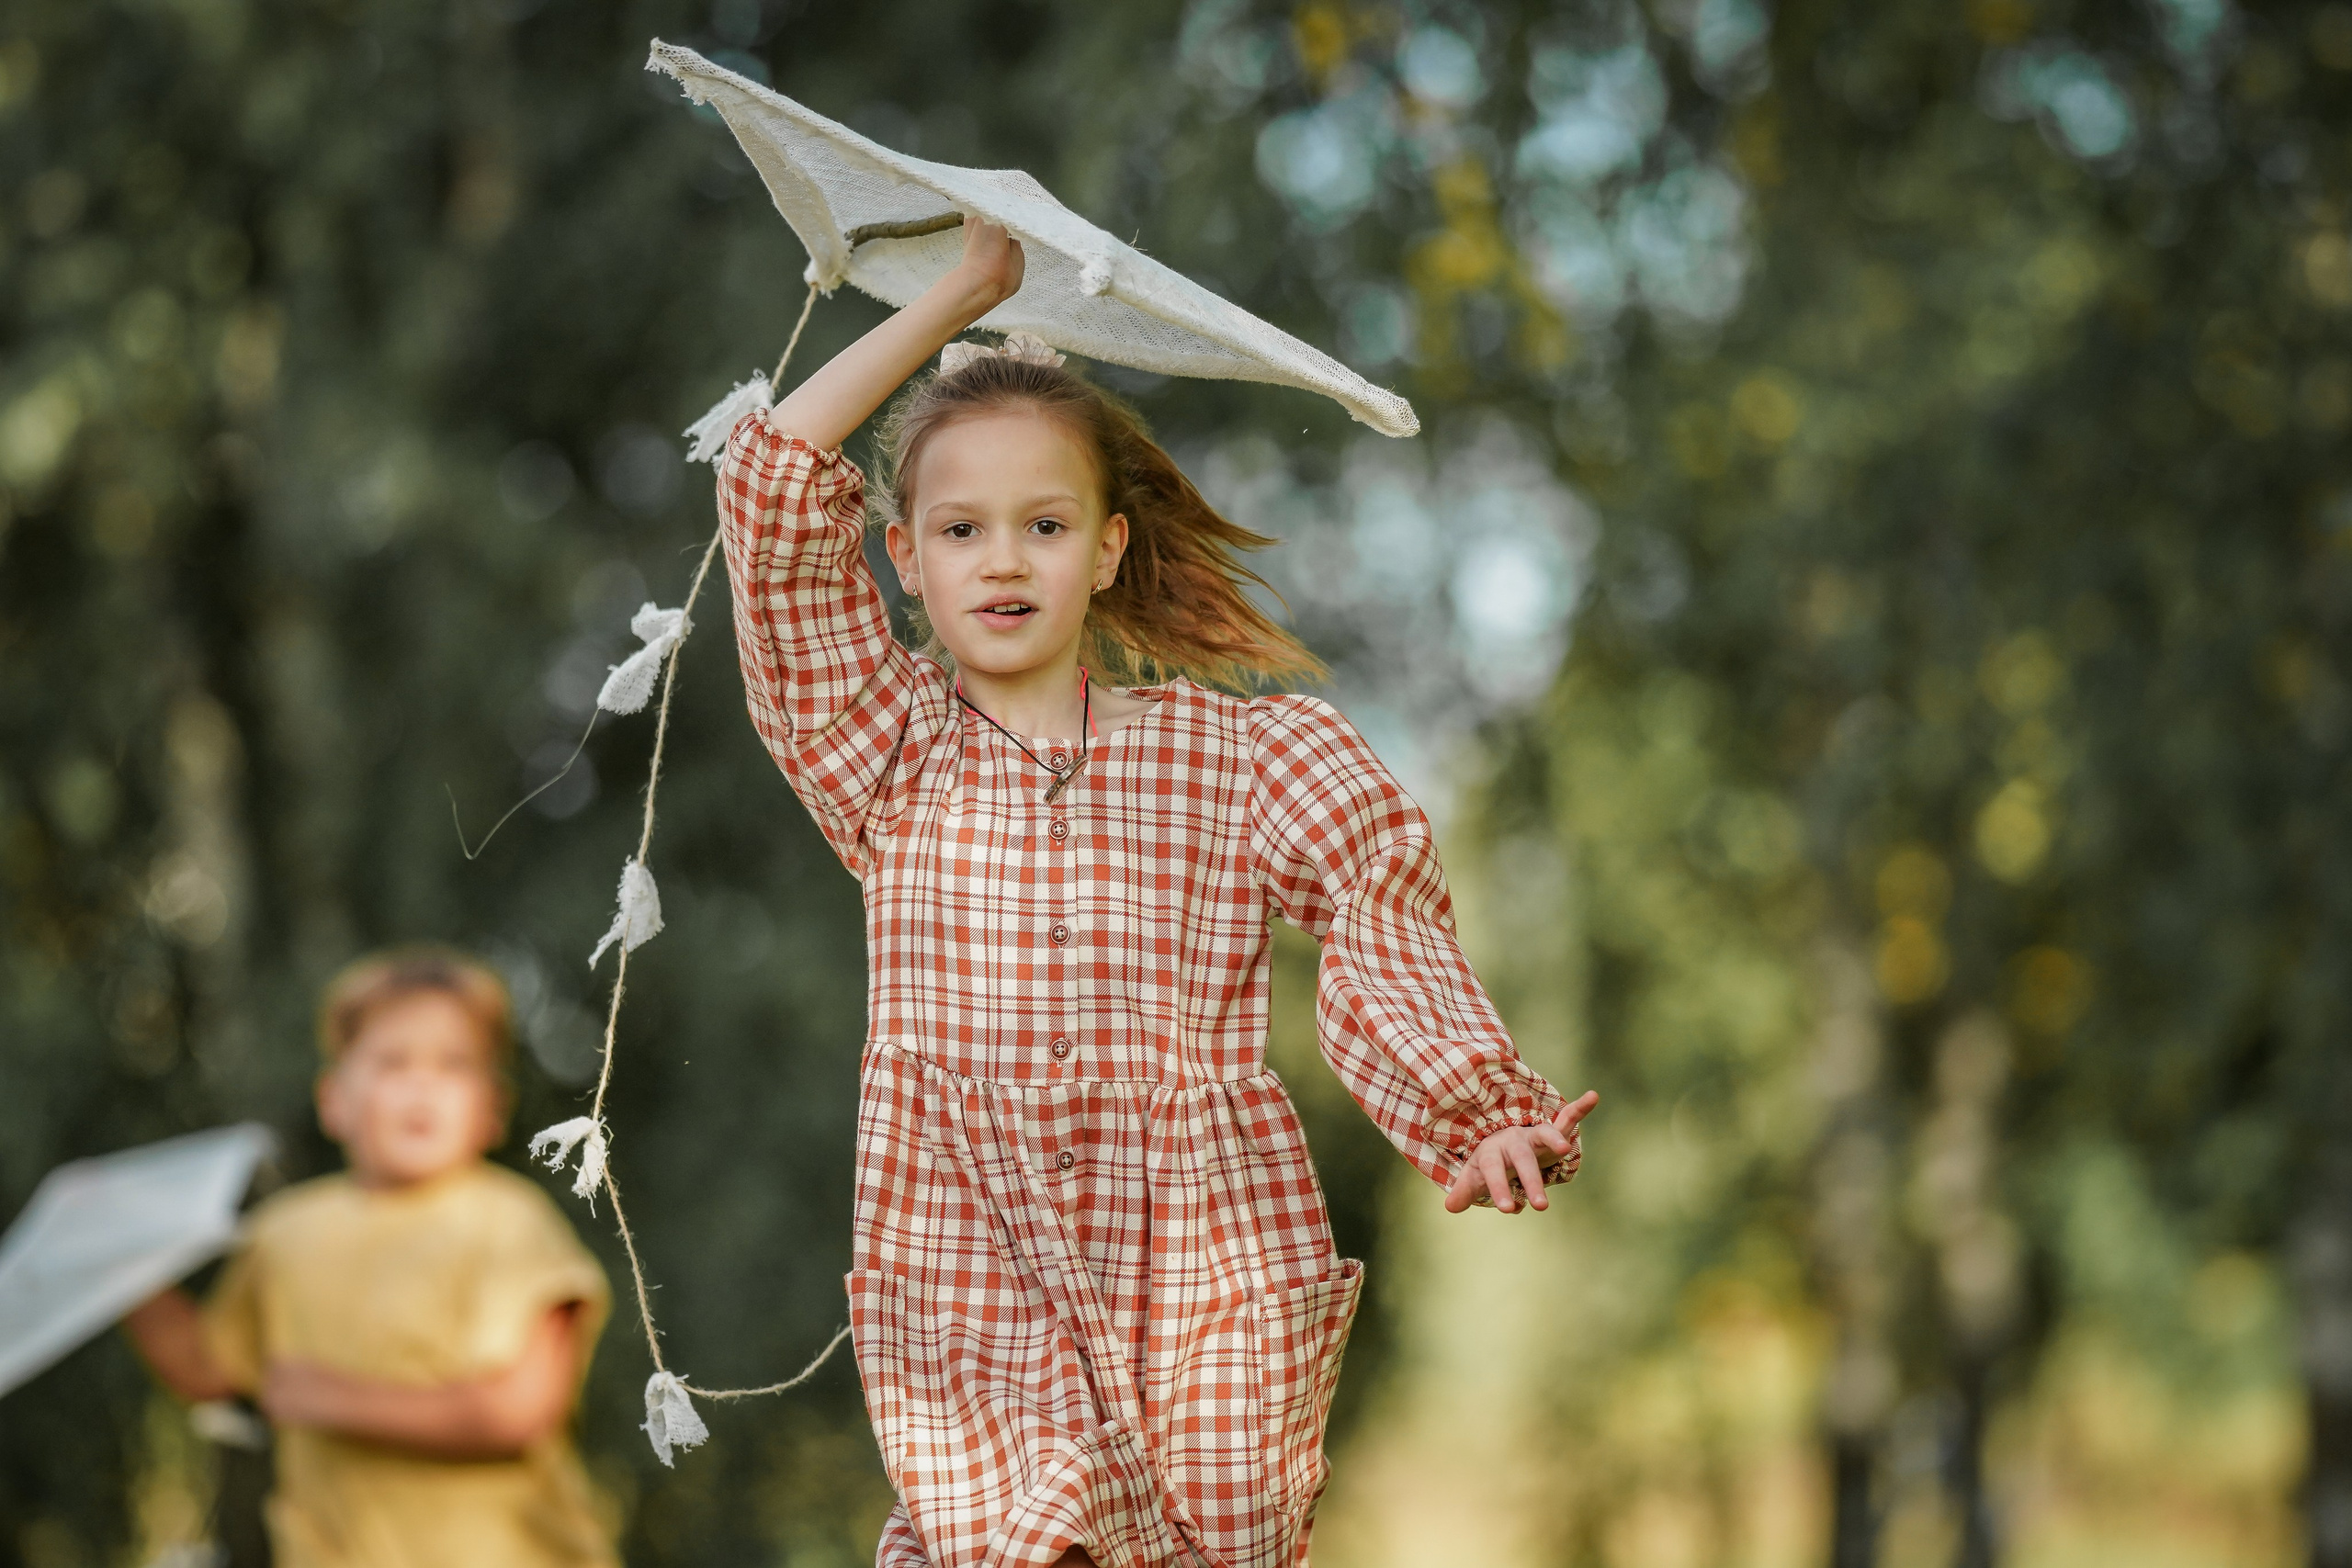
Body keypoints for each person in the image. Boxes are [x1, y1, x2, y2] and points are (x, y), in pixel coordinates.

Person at [718, 217, 1600, 1568]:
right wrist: (960, 290)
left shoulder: (1242, 755)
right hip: (974, 1246)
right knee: (1017, 1543)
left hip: (1202, 1250)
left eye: (1045, 524)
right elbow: (773, 490)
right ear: (905, 557)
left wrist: (1467, 1103)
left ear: (1109, 547)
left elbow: (1378, 898)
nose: (1003, 558)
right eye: (961, 529)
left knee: (1214, 1538)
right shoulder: (883, 751)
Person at [125, 948, 616, 1568]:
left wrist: (334, 1400)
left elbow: (520, 1410)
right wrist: (119, 1267)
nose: (423, 1085)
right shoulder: (284, 1233)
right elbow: (209, 1367)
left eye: (454, 1064)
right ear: (334, 1099)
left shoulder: (509, 1221)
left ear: (494, 1107)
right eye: (392, 1062)